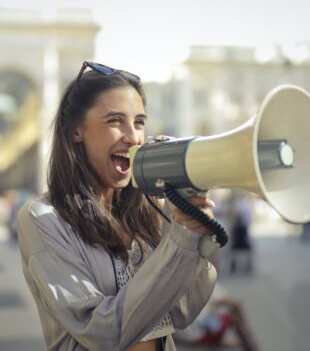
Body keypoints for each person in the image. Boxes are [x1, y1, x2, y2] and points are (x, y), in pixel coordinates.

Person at [17, 61, 218, 351]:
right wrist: (179, 241)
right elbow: (102, 333)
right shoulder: (43, 218)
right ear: (76, 131)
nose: (133, 136)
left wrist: (194, 237)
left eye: (138, 122)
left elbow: (180, 311)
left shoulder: (148, 212)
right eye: (115, 121)